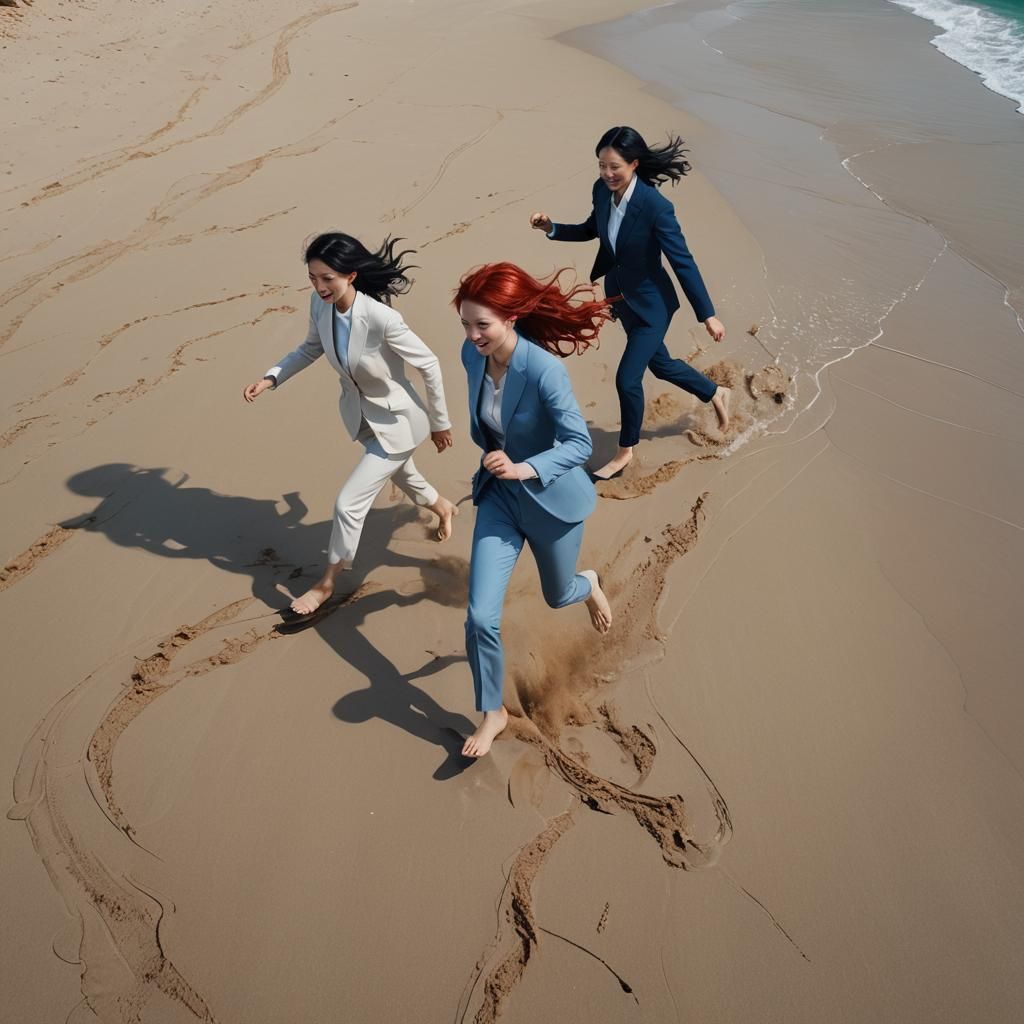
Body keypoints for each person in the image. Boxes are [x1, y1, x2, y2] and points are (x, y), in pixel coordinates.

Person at [243, 232, 457, 619]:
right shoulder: (319, 305)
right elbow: (310, 348)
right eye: (313, 278)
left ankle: (326, 584)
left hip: (399, 422)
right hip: (361, 416)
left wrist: (440, 423)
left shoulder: (382, 318)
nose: (319, 286)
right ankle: (443, 507)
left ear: (351, 275)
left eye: (328, 278)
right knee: (404, 475)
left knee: (348, 503)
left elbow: (429, 364)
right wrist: (271, 377)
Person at [454, 262, 614, 757]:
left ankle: (586, 585)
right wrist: (502, 465)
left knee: (557, 594)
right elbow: (490, 425)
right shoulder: (471, 355)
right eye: (465, 323)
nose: (473, 334)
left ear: (512, 318)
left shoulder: (544, 370)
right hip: (500, 500)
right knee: (481, 616)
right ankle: (493, 712)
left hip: (551, 504)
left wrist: (526, 467)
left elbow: (579, 442)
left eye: (483, 324)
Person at [530, 125, 729, 481]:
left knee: (627, 379)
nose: (607, 174)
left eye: (615, 167)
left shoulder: (656, 207)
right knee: (661, 365)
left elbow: (682, 260)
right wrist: (552, 228)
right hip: (620, 297)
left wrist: (707, 315)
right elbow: (592, 228)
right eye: (602, 166)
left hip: (654, 306)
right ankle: (715, 392)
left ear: (634, 164)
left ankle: (625, 452)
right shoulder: (601, 192)